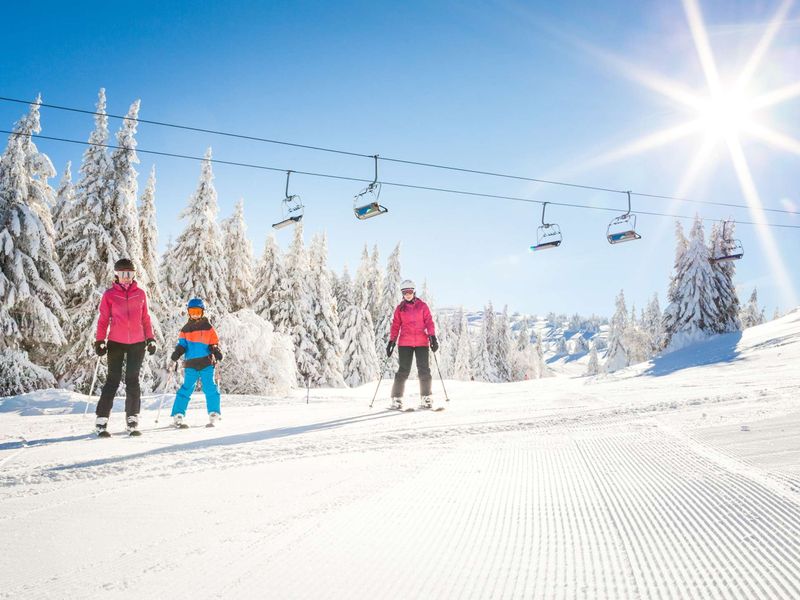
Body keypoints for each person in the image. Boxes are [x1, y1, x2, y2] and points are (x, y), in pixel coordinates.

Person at [94, 258, 156, 437]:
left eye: (130, 274)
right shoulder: (109, 294)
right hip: (116, 343)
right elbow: (103, 319)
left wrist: (150, 338)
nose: (127, 277)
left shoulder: (140, 294)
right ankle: (102, 418)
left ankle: (132, 418)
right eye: (123, 274)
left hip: (137, 343)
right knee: (112, 380)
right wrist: (100, 340)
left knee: (132, 380)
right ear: (117, 275)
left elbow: (146, 318)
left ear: (134, 275)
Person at [169, 298, 223, 428]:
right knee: (187, 387)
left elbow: (214, 342)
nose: (195, 314)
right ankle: (178, 414)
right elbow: (182, 344)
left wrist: (215, 350)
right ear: (189, 312)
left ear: (202, 312)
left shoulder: (209, 328)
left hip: (206, 363)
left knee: (210, 386)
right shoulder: (185, 329)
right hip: (191, 364)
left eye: (197, 312)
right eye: (192, 311)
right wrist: (178, 352)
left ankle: (214, 412)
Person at [386, 279, 438, 410]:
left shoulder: (422, 306)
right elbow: (395, 325)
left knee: (424, 370)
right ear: (402, 294)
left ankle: (426, 397)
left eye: (409, 291)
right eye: (405, 292)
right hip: (405, 344)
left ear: (414, 291)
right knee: (403, 371)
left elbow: (429, 322)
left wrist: (432, 337)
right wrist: (392, 341)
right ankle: (397, 398)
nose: (407, 294)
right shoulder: (400, 309)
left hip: (422, 343)